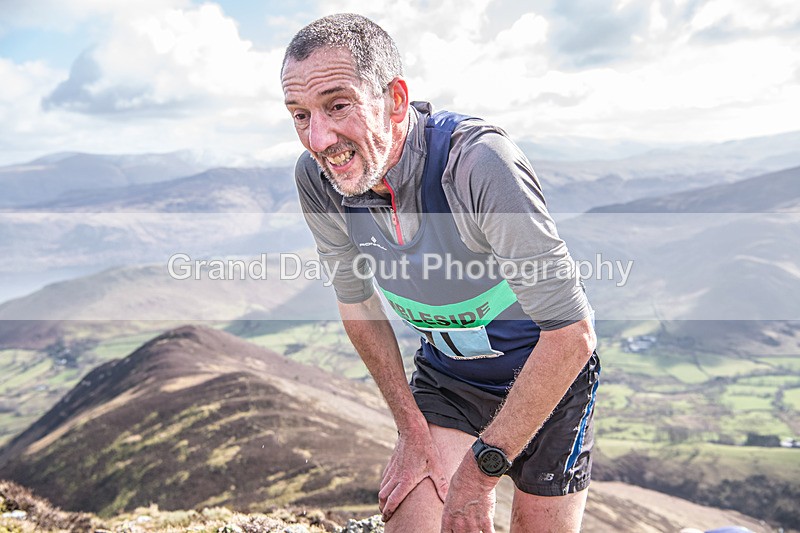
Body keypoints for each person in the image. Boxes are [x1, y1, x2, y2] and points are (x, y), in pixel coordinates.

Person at [281, 13, 599, 533]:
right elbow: (358, 303)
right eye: (299, 115)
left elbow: (572, 336)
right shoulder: (319, 180)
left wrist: (478, 473)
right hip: (451, 380)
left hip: (550, 378)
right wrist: (410, 429)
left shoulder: (475, 163)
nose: (319, 139)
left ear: (396, 99)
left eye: (338, 105)